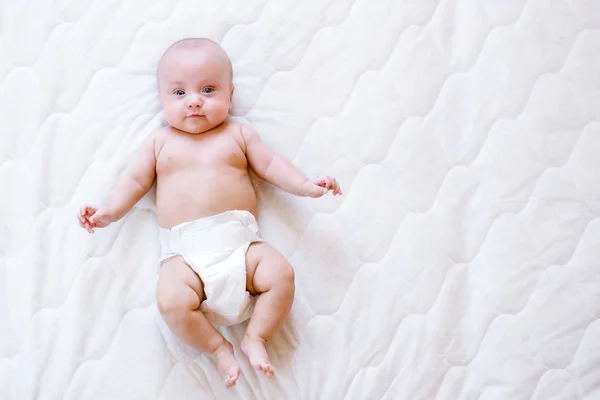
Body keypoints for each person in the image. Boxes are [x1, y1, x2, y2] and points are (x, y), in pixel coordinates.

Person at [77, 38, 341, 388]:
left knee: (281, 275)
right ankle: (217, 348)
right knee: (170, 302)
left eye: (208, 89)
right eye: (179, 93)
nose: (195, 101)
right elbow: (135, 180)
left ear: (230, 94)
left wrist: (306, 185)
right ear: (162, 98)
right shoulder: (160, 142)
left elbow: (272, 164)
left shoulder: (239, 134)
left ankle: (256, 337)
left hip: (243, 245)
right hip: (185, 256)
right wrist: (110, 211)